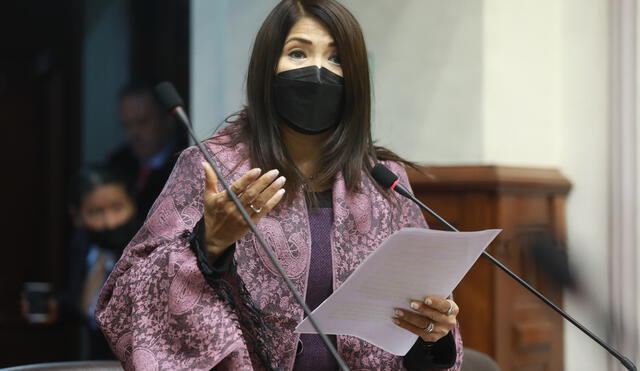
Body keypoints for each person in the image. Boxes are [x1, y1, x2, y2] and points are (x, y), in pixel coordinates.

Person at [96, 1, 463, 370]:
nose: (317, 71)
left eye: (336, 59)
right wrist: (209, 245)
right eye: (298, 53)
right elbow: (124, 299)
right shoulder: (211, 168)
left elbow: (421, 336)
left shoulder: (384, 180)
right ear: (266, 68)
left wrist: (434, 333)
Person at [22, 165, 139, 359]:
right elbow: (81, 302)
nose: (109, 222)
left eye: (118, 208)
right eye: (95, 212)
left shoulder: (146, 250)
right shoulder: (81, 245)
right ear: (77, 216)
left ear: (132, 204)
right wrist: (55, 307)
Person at [108, 82, 188, 217]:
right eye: (127, 125)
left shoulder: (187, 162)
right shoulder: (116, 165)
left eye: (142, 122)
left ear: (167, 119)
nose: (134, 132)